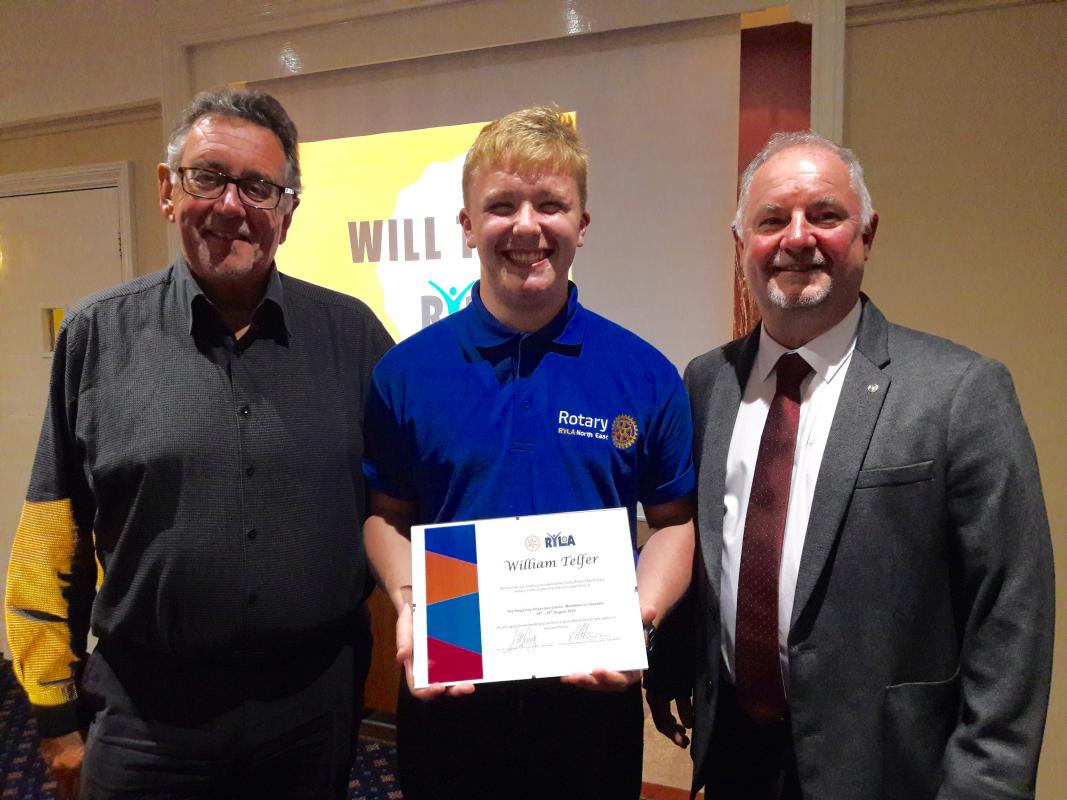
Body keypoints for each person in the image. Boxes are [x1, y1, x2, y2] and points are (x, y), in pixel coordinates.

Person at [4, 87, 393, 799]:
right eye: (207, 176)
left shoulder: (355, 338)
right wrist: (55, 717)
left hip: (311, 714)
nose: (231, 205)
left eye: (258, 186)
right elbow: (49, 540)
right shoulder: (97, 336)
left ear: (287, 210)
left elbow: (408, 502)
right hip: (145, 721)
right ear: (167, 190)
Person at [645, 130, 1055, 799]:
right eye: (771, 220)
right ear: (739, 243)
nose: (796, 238)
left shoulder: (959, 391)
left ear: (866, 233)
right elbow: (710, 542)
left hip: (889, 770)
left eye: (824, 216)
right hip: (733, 764)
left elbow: (1010, 612)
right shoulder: (705, 383)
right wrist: (670, 664)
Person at [363, 106, 696, 800]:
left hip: (589, 706)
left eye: (550, 205)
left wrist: (637, 615)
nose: (525, 226)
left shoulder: (644, 372)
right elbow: (385, 515)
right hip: (449, 693)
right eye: (500, 206)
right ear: (465, 225)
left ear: (581, 224)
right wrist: (408, 604)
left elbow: (671, 522)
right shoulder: (405, 372)